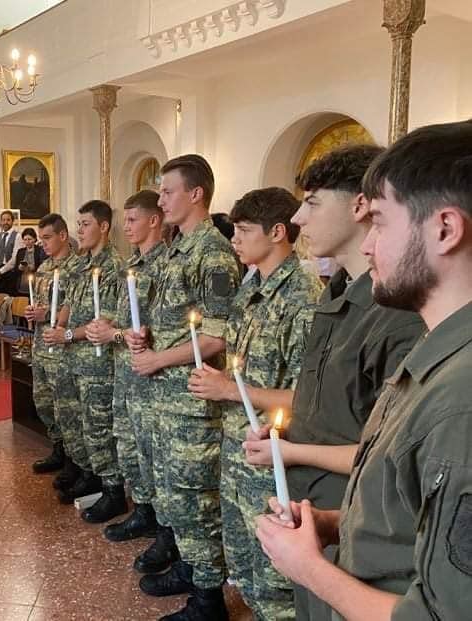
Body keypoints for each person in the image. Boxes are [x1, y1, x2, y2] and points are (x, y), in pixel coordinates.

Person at [255, 120, 472, 621]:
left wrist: (309, 568)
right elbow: (410, 512)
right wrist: (336, 523)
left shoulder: (461, 399)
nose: (368, 245)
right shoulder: (437, 351)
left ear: (444, 229)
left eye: (379, 222)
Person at [188, 187, 323, 619]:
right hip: (238, 451)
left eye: (245, 231)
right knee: (245, 573)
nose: (235, 240)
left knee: (275, 589)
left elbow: (310, 399)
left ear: (278, 232)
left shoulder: (303, 299)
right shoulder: (252, 289)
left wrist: (230, 389)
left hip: (273, 462)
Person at [124, 154, 240, 621]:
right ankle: (190, 570)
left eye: (168, 191)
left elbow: (217, 337)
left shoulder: (213, 253)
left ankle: (208, 601)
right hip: (163, 397)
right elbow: (171, 324)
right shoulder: (176, 250)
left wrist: (157, 358)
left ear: (196, 194)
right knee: (174, 493)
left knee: (195, 499)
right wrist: (141, 337)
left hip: (191, 400)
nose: (161, 200)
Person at [85, 190, 167, 541]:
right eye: (126, 220)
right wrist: (101, 325)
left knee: (150, 455)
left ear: (154, 220)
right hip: (124, 372)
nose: (127, 227)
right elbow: (119, 315)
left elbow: (153, 331)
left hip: (150, 376)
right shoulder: (130, 265)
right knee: (128, 447)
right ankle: (142, 511)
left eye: (133, 220)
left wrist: (114, 334)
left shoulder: (164, 266)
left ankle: (160, 523)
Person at [43, 200, 125, 522]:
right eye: (77, 224)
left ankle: (113, 491)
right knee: (77, 422)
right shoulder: (81, 264)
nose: (79, 230)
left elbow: (105, 321)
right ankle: (89, 473)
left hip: (97, 363)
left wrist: (66, 335)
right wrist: (59, 325)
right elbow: (69, 301)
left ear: (103, 226)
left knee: (99, 427)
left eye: (85, 224)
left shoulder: (114, 266)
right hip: (74, 358)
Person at [25, 214, 85, 478]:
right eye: (41, 239)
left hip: (63, 349)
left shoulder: (77, 267)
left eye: (47, 238)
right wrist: (33, 311)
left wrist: (48, 312)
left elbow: (79, 308)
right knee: (44, 402)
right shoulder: (44, 267)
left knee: (65, 408)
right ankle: (58, 448)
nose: (43, 244)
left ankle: (73, 458)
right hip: (41, 344)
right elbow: (40, 301)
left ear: (63, 235)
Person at [0, 210, 25, 295]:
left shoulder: (17, 236)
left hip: (9, 272)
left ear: (12, 221)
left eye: (8, 220)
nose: (5, 222)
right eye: (3, 220)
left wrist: (1, 271)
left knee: (9, 298)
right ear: (0, 222)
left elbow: (15, 258)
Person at [14, 227, 46, 296]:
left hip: (36, 283)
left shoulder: (40, 250)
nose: (27, 242)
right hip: (22, 285)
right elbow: (15, 270)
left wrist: (33, 268)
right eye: (25, 239)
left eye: (29, 239)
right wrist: (19, 268)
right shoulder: (20, 251)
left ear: (34, 239)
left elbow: (43, 267)